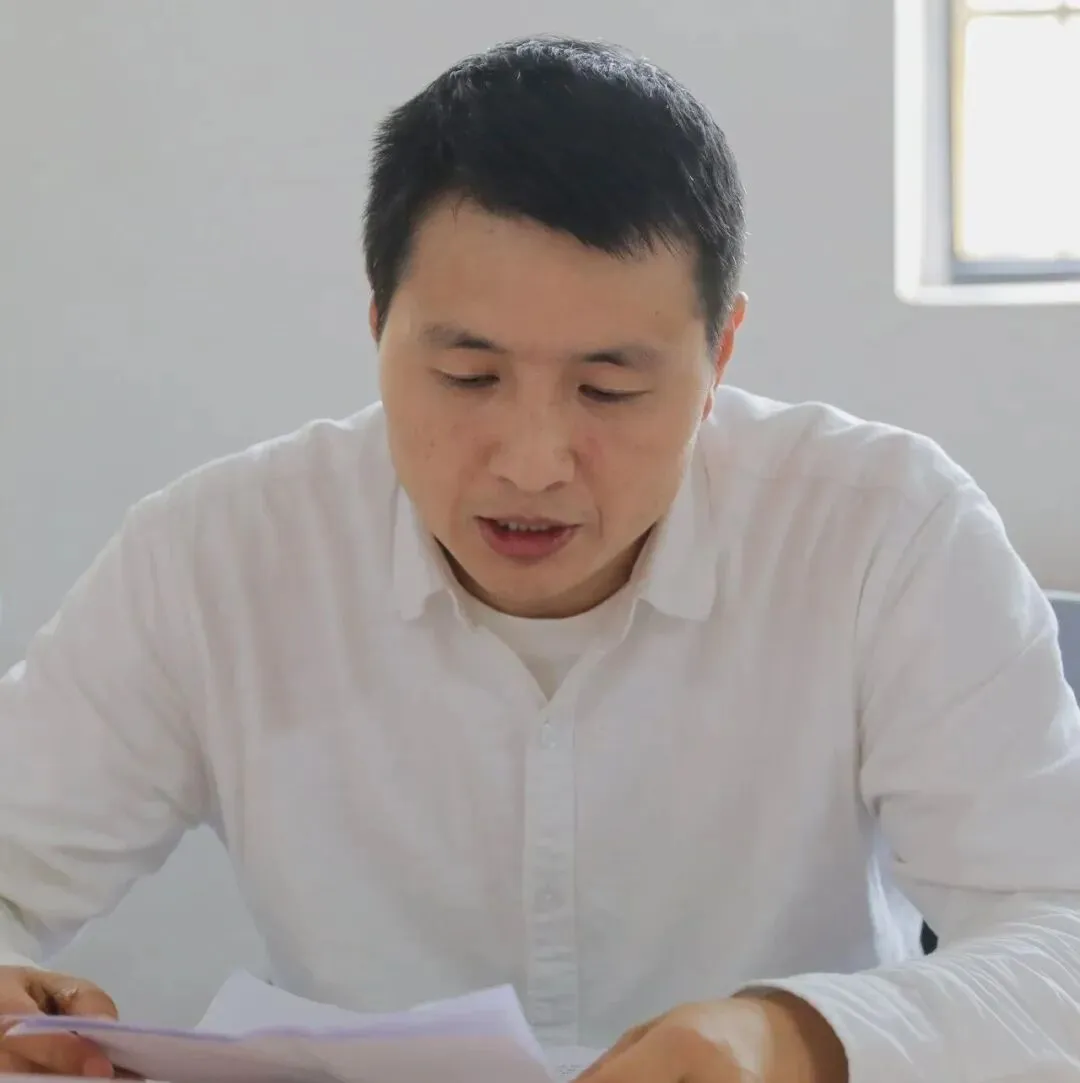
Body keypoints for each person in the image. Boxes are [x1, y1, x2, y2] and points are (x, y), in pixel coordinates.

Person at [1, 34, 1079, 1083]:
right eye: (469, 377)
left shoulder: (885, 533)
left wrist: (795, 1042)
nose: (531, 463)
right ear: (378, 327)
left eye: (609, 389)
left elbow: (1061, 937)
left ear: (721, 355)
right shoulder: (218, 558)